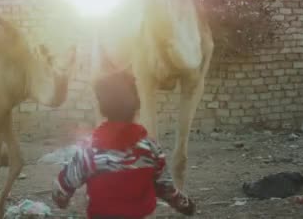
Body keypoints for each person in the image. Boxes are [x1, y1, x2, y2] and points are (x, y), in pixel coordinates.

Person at [51, 69, 196, 218]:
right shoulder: (151, 149)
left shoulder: (90, 152)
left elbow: (61, 190)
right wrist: (185, 205)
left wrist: (62, 200)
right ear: (137, 107)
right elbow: (166, 188)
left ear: (102, 108)